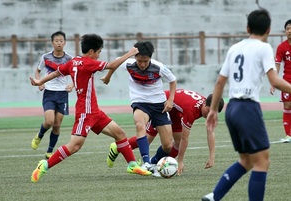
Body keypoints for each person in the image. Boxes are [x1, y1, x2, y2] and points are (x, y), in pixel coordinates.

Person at [29, 33, 152, 183]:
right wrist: (131, 53)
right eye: (99, 52)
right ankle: (45, 165)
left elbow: (56, 72)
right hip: (85, 113)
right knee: (74, 146)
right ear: (92, 51)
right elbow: (112, 65)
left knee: (120, 133)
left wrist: (39, 80)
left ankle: (132, 165)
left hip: (95, 112)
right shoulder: (87, 63)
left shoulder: (74, 61)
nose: (99, 56)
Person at [202, 9, 291, 201]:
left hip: (232, 108)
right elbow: (275, 81)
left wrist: (213, 111)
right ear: (268, 29)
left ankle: (214, 196)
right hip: (248, 108)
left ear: (247, 28)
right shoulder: (264, 48)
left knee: (246, 160)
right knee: (262, 162)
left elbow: (220, 82)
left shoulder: (234, 48)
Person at [106, 89, 224, 176]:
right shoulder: (191, 110)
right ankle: (117, 146)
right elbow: (185, 138)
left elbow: (210, 131)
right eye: (207, 111)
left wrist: (212, 157)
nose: (208, 115)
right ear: (204, 104)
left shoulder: (209, 106)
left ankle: (153, 164)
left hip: (176, 112)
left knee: (174, 144)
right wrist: (180, 161)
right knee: (147, 138)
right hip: (161, 105)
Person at [102, 41, 177, 171]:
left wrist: (170, 100)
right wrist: (108, 77)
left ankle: (152, 164)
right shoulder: (129, 63)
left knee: (168, 146)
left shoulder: (158, 67)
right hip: (140, 102)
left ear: (150, 58)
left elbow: (173, 80)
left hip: (159, 105)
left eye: (145, 61)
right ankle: (146, 162)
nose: (142, 64)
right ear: (135, 57)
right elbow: (115, 64)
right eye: (139, 61)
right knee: (139, 125)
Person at [31, 31, 73, 159]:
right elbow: (38, 71)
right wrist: (39, 83)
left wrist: (72, 84)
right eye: (56, 41)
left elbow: (75, 74)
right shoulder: (46, 57)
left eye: (61, 41)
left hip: (62, 94)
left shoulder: (69, 59)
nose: (59, 43)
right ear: (52, 42)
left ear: (65, 43)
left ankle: (49, 150)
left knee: (57, 125)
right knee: (49, 121)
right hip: (49, 92)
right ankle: (39, 135)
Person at [271, 19, 291, 143]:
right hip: (287, 80)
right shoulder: (282, 47)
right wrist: (274, 81)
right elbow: (277, 65)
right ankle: (288, 135)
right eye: (288, 28)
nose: (290, 31)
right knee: (287, 105)